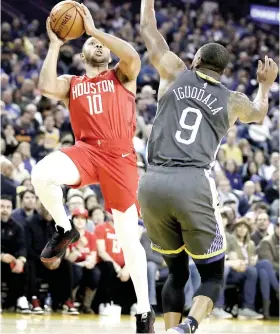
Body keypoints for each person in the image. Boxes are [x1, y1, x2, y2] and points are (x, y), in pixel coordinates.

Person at [139, 0, 278, 332]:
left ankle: (172, 328)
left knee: (175, 270)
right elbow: (260, 113)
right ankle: (187, 327)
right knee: (214, 273)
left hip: (152, 181)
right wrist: (265, 84)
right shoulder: (233, 100)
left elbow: (147, 29)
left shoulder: (174, 71)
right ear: (223, 72)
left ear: (196, 61)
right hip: (192, 182)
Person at [31, 3, 152, 331]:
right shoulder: (72, 83)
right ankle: (64, 228)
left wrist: (95, 30)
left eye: (101, 44)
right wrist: (56, 45)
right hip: (85, 151)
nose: (98, 45)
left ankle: (143, 311)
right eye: (91, 43)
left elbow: (133, 56)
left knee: (129, 239)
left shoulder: (122, 75)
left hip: (121, 158)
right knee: (40, 173)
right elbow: (44, 86)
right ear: (82, 55)